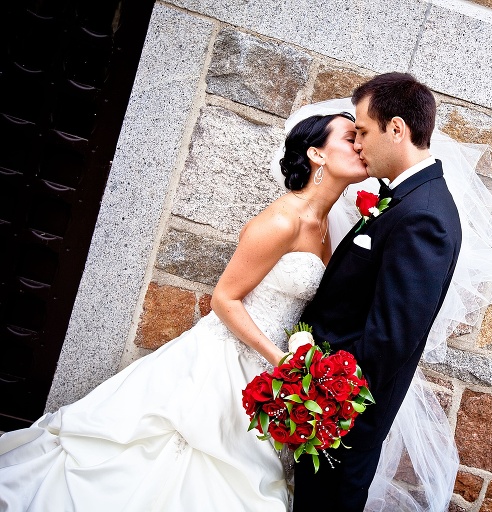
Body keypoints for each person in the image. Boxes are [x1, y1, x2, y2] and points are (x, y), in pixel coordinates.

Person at [0, 111, 369, 511]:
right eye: (351, 138)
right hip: (226, 362)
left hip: (270, 370)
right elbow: (224, 299)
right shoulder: (283, 220)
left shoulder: (328, 224)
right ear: (317, 153)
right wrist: (282, 362)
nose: (361, 145)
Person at [292, 72, 463, 512]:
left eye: (363, 131)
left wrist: (323, 402)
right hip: (331, 405)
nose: (359, 143)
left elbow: (389, 339)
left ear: (397, 129)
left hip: (345, 419)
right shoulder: (405, 199)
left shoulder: (426, 215)